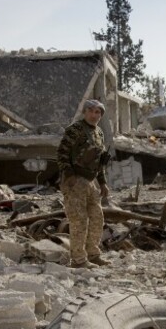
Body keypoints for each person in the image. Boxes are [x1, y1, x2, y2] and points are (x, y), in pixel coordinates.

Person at [57, 99, 112, 268]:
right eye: (91, 111)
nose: (94, 115)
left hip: (90, 180)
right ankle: (79, 259)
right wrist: (70, 175)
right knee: (79, 220)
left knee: (97, 217)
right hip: (75, 180)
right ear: (85, 112)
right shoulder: (75, 130)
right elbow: (62, 153)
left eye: (98, 112)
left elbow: (99, 161)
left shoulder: (99, 133)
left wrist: (102, 183)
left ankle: (93, 254)